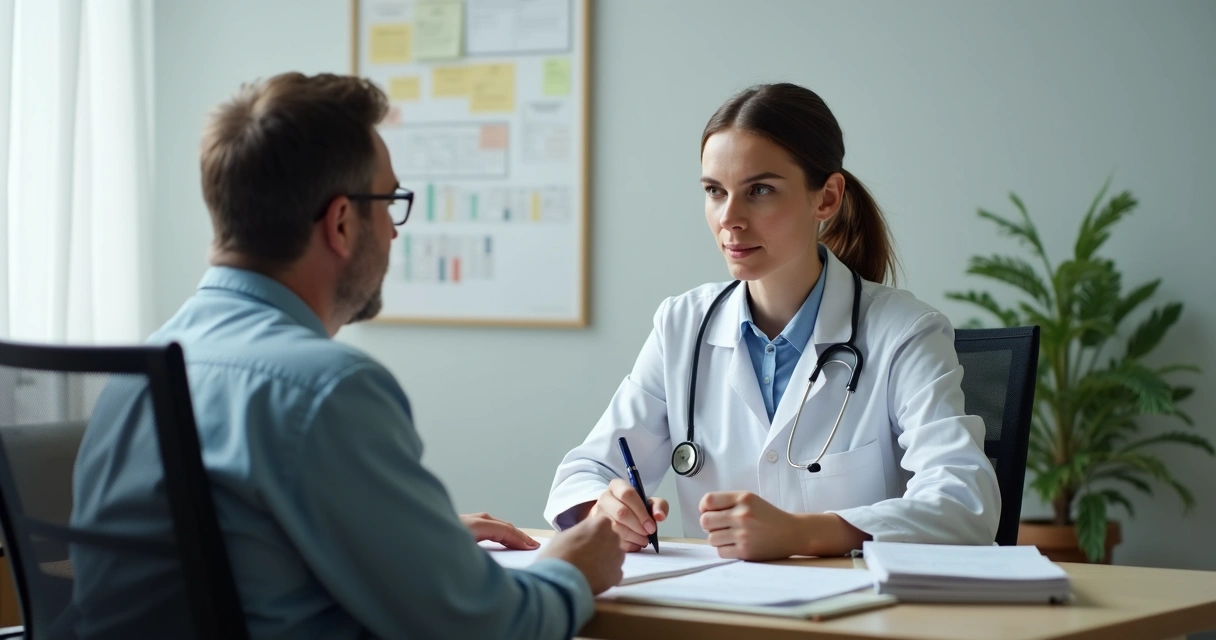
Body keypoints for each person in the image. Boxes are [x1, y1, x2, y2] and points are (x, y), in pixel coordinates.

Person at [71, 72, 624, 639]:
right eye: (389, 203)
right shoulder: (325, 389)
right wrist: (570, 570)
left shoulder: (137, 371)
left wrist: (406, 543)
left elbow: (229, 560)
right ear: (340, 222)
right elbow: (484, 628)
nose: (392, 231)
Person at [544, 83, 1000, 562]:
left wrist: (803, 534)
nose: (730, 218)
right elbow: (584, 470)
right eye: (714, 191)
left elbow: (965, 501)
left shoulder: (905, 332)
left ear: (826, 198)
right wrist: (605, 507)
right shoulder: (682, 326)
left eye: (759, 190)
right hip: (718, 613)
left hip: (854, 619)